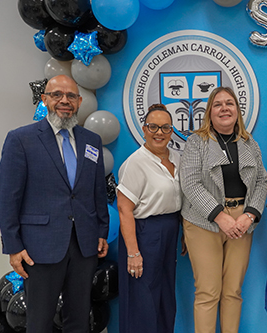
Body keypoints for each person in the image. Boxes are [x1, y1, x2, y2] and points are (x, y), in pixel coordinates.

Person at [0, 75, 109, 333]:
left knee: (79, 319)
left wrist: (102, 230)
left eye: (70, 96)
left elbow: (97, 191)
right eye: (57, 95)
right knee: (39, 322)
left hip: (84, 246)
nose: (64, 101)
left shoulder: (91, 141)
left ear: (79, 102)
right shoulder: (21, 140)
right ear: (45, 99)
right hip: (39, 248)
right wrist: (13, 247)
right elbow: (6, 197)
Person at [180, 86, 267, 333]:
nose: (224, 108)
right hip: (203, 223)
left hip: (242, 222)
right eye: (218, 104)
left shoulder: (250, 144)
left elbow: (261, 181)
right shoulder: (196, 142)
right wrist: (220, 216)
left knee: (233, 291)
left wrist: (249, 215)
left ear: (237, 111)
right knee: (208, 292)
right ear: (209, 112)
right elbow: (190, 183)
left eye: (230, 103)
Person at [117, 104, 182, 332]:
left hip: (170, 230)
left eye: (165, 127)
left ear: (172, 131)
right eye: (153, 126)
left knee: (165, 297)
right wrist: (133, 253)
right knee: (142, 299)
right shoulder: (135, 163)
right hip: (144, 234)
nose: (159, 133)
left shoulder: (177, 158)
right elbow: (124, 210)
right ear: (144, 129)